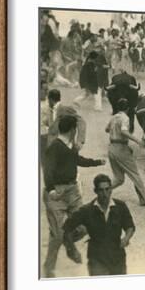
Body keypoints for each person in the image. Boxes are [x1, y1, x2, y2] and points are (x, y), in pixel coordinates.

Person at [42, 115, 106, 278]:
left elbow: (77, 160)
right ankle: (49, 268)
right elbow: (47, 169)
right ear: (72, 130)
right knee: (56, 235)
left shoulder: (69, 147)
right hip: (56, 193)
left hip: (73, 191)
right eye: (76, 129)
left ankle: (67, 242)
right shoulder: (55, 147)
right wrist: (50, 189)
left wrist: (97, 162)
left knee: (83, 226)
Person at [63, 174, 135, 276]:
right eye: (101, 190)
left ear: (111, 189)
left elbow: (130, 226)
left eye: (107, 189)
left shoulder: (120, 206)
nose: (105, 194)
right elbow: (67, 228)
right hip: (97, 259)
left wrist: (126, 238)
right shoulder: (87, 210)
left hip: (117, 257)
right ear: (95, 191)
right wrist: (72, 249)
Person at [105, 98, 145, 206]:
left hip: (111, 148)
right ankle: (144, 199)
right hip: (121, 148)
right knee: (135, 175)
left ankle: (104, 191)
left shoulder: (114, 117)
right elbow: (124, 131)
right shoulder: (125, 118)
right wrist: (137, 140)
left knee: (119, 178)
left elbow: (106, 129)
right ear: (127, 108)